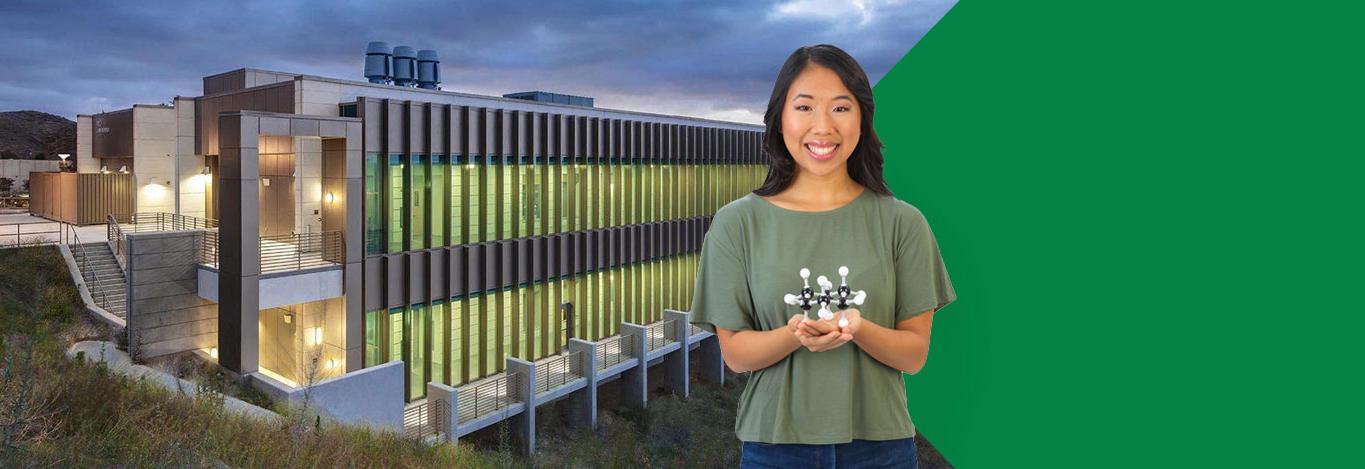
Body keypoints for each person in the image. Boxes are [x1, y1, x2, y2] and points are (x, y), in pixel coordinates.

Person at [689, 44, 956, 469]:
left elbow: (914, 355)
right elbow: (736, 354)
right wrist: (794, 333)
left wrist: (859, 327)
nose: (822, 127)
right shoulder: (737, 224)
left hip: (881, 448)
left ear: (862, 118)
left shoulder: (902, 223)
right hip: (774, 446)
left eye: (840, 108)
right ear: (780, 117)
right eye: (805, 107)